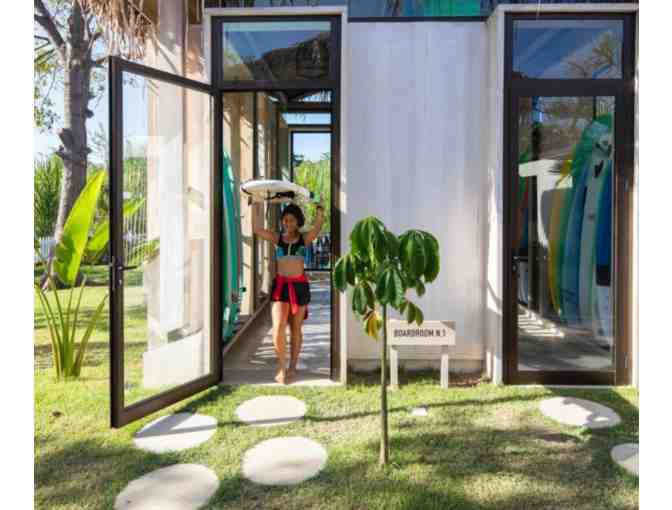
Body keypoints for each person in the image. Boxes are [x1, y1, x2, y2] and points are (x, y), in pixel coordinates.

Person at [252, 201, 325, 384]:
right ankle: (281, 367)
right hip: (281, 286)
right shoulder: (277, 239)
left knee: (295, 329)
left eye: (291, 220)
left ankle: (293, 366)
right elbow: (257, 229)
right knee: (278, 326)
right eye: (285, 220)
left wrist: (320, 209)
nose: (288, 223)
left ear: (297, 221)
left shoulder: (304, 239)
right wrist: (255, 203)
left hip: (299, 287)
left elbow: (317, 227)